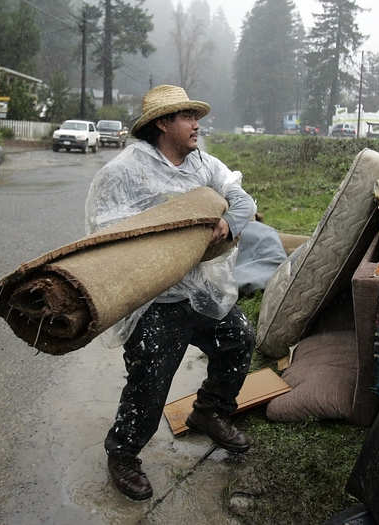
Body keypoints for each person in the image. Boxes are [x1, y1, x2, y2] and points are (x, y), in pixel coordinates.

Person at [85, 85, 257, 501]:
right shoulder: (127, 170)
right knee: (150, 380)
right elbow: (105, 229)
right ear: (163, 123)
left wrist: (227, 222)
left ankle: (208, 412)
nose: (197, 125)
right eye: (186, 117)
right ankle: (123, 454)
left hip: (199, 292)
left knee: (239, 338)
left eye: (195, 117)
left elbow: (241, 198)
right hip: (155, 300)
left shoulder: (202, 163)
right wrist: (173, 227)